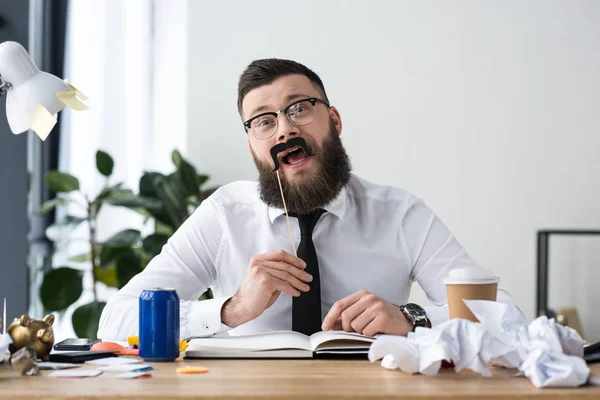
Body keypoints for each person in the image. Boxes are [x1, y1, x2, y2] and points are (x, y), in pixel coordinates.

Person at [98, 59, 516, 340]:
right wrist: (230, 310)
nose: (283, 130)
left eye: (298, 108)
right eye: (264, 121)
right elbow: (115, 320)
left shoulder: (400, 214)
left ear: (333, 120)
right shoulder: (224, 216)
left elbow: (504, 314)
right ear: (253, 147)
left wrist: (412, 320)